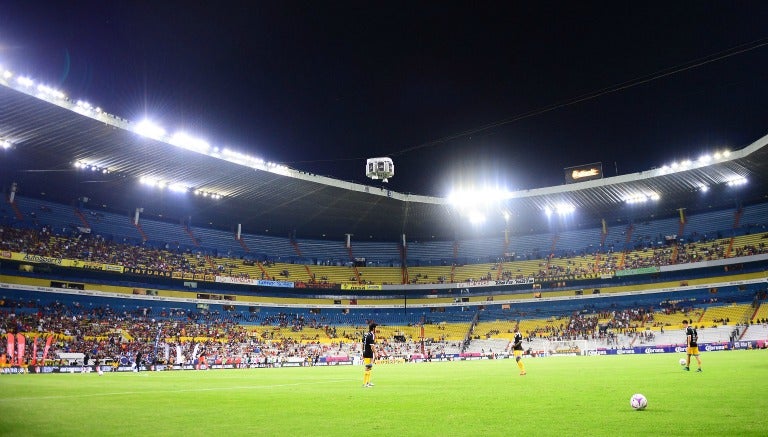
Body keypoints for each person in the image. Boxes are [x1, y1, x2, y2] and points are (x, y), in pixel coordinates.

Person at [362, 323, 377, 387]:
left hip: (366, 352)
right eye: (375, 328)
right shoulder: (372, 335)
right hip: (369, 353)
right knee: (367, 368)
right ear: (373, 328)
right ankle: (365, 383)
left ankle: (368, 382)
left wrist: (363, 352)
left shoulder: (366, 334)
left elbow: (362, 344)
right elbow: (372, 346)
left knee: (369, 367)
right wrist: (375, 353)